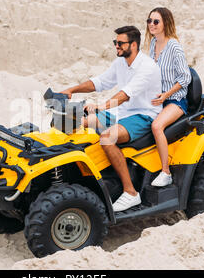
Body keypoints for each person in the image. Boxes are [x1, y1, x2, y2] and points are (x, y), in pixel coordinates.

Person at [61, 26, 162, 212]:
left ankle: (130, 192)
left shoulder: (147, 67)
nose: (116, 46)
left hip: (143, 116)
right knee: (74, 123)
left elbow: (125, 95)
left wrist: (100, 106)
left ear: (133, 44)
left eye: (120, 43)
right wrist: (71, 90)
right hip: (121, 113)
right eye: (115, 42)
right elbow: (99, 82)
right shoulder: (121, 63)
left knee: (107, 138)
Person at [144, 7, 192, 187]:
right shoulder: (153, 45)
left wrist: (166, 95)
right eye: (149, 21)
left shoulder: (174, 46)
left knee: (156, 126)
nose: (152, 25)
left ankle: (165, 172)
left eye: (156, 21)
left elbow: (185, 78)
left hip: (175, 100)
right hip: (157, 97)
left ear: (165, 23)